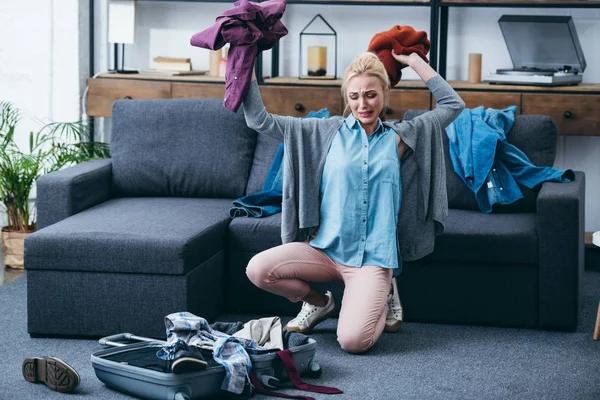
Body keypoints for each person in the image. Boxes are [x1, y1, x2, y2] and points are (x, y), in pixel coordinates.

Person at [242, 51, 465, 354]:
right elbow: (258, 119)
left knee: (353, 342)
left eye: (372, 95)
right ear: (347, 97)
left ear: (385, 94)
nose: (363, 104)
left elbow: (453, 105)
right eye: (355, 96)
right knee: (258, 269)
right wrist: (245, 60)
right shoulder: (323, 133)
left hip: (372, 260)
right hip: (324, 250)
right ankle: (319, 304)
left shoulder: (401, 137)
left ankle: (382, 289)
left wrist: (413, 61)